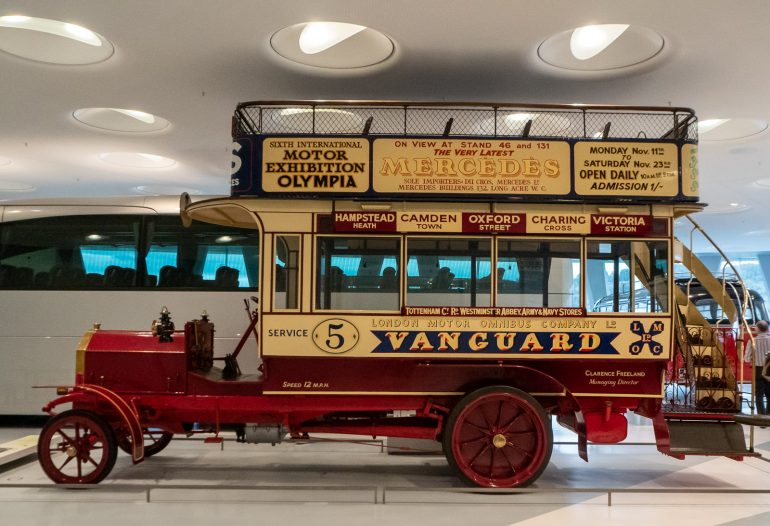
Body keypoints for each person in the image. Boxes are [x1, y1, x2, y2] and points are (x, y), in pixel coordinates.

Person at [744, 319, 770, 415]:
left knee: (759, 394)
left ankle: (760, 415)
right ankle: (769, 415)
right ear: (767, 329)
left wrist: (752, 358)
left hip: (758, 369)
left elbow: (746, 358)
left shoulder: (752, 341)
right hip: (769, 369)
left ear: (758, 329)